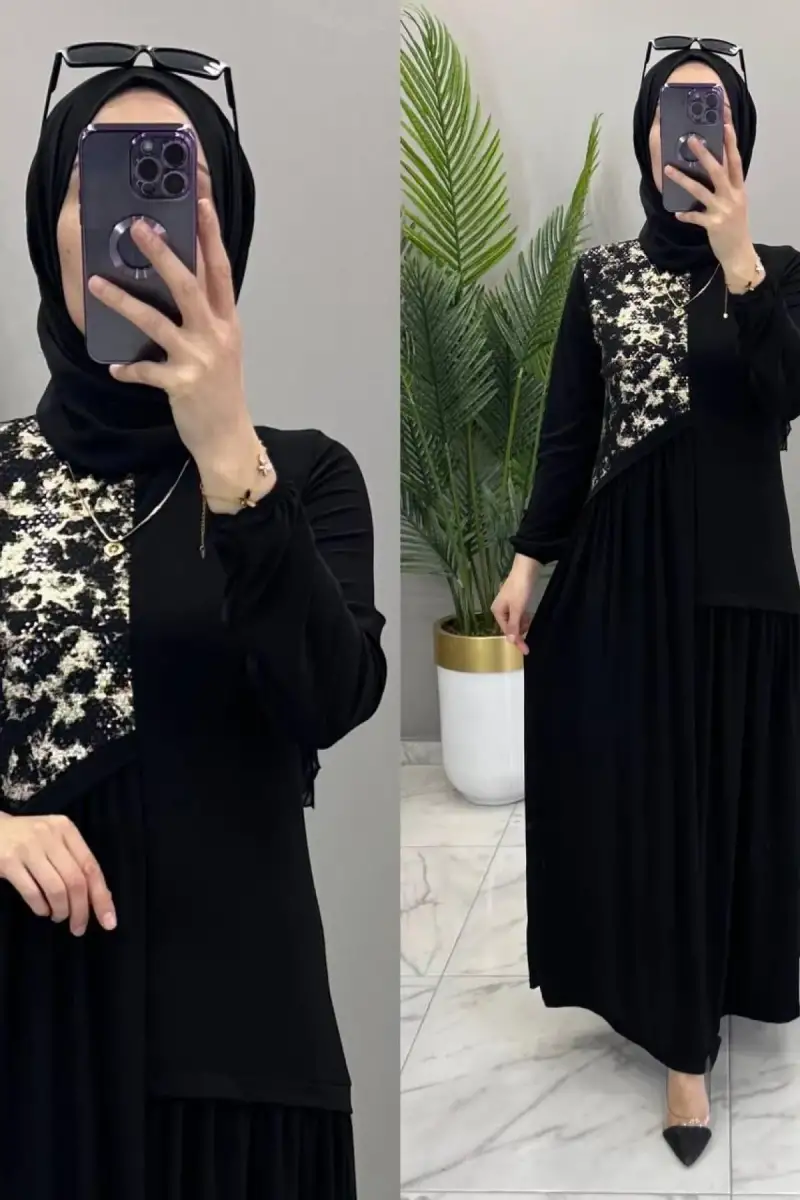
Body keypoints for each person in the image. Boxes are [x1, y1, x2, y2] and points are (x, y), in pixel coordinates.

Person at [0, 58, 386, 1200]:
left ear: (229, 232)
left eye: (176, 182)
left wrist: (225, 446)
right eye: (100, 181)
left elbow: (330, 697)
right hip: (26, 1047)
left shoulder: (303, 475)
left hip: (240, 1058)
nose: (138, 223)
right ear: (49, 223)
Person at [492, 43, 800, 1168]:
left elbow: (784, 398)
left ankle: (714, 992)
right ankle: (675, 1040)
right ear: (646, 135)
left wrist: (739, 261)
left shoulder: (778, 269)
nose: (690, 133)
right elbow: (569, 432)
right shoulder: (600, 275)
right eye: (673, 113)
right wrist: (527, 562)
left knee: (720, 795)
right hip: (627, 575)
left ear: (739, 138)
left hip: (739, 582)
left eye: (711, 114)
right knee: (648, 795)